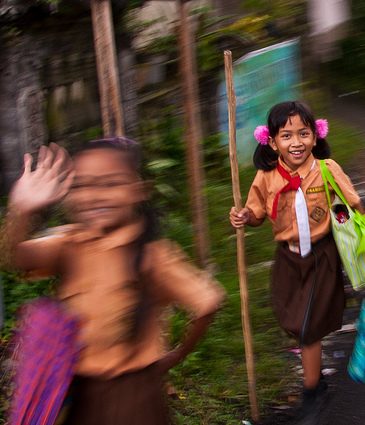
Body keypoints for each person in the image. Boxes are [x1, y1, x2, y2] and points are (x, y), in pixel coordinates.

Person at [6, 140, 226, 425]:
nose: (93, 196)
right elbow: (15, 259)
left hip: (134, 398)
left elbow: (208, 301)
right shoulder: (70, 243)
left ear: (139, 191)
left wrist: (176, 355)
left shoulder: (153, 256)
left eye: (110, 184)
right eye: (82, 185)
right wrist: (21, 209)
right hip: (77, 394)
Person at [230, 101, 365, 424]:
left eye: (303, 133)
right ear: (272, 142)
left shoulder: (327, 170)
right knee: (292, 320)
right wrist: (245, 216)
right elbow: (256, 211)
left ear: (316, 136)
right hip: (287, 259)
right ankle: (317, 378)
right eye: (286, 135)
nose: (296, 142)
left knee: (307, 328)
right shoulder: (267, 176)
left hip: (321, 257)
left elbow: (351, 209)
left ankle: (311, 395)